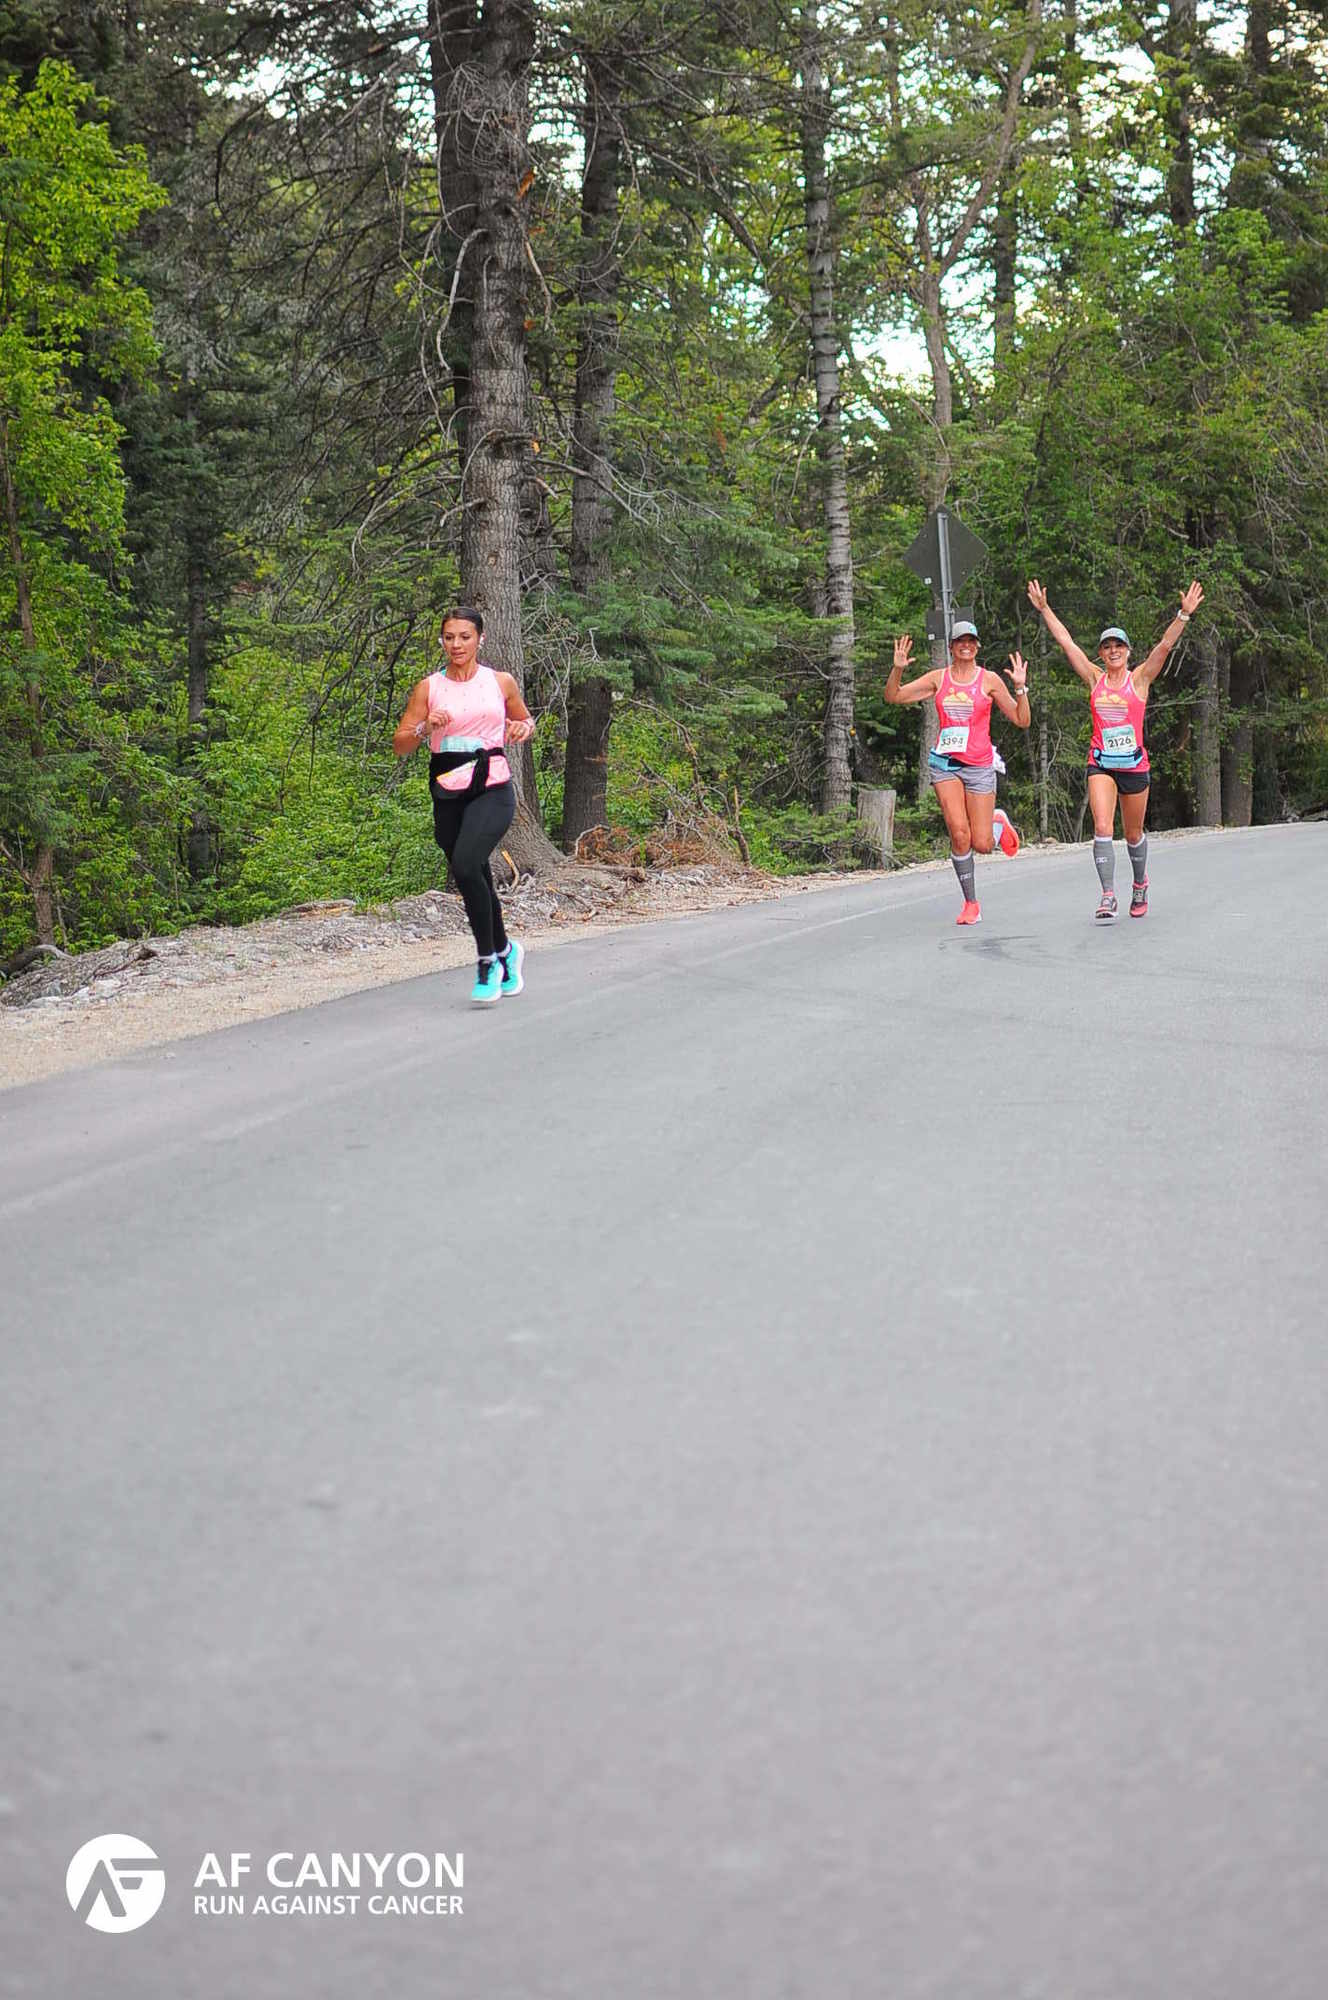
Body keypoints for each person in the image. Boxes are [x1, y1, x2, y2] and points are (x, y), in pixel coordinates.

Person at [1026, 578, 1204, 921]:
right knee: (1103, 828)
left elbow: (1164, 646)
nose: (1113, 651)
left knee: (1133, 833)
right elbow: (1066, 643)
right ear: (1101, 653)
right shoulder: (1094, 678)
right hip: (1102, 764)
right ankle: (1108, 895)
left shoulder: (1140, 679)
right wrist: (1045, 609)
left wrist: (1183, 615)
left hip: (1134, 766)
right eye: (1107, 647)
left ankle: (1139, 884)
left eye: (1118, 646)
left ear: (1128, 651)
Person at [393, 605, 535, 1003]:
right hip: (448, 788)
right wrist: (425, 728)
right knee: (475, 874)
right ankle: (507, 951)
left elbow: (525, 720)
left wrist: (522, 727)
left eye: (465, 637)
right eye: (449, 637)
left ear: (480, 639)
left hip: (493, 785)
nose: (456, 644)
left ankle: (488, 961)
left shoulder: (500, 681)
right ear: (442, 640)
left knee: (466, 864)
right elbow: (400, 744)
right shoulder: (429, 688)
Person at [885, 620, 1030, 925]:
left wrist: (1020, 688)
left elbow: (1021, 720)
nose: (966, 645)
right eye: (960, 641)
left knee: (982, 844)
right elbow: (894, 696)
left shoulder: (989, 680)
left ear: (977, 646)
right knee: (959, 833)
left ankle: (996, 823)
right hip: (945, 764)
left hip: (979, 765)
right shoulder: (939, 678)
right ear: (951, 647)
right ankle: (970, 903)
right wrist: (897, 669)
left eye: (971, 641)